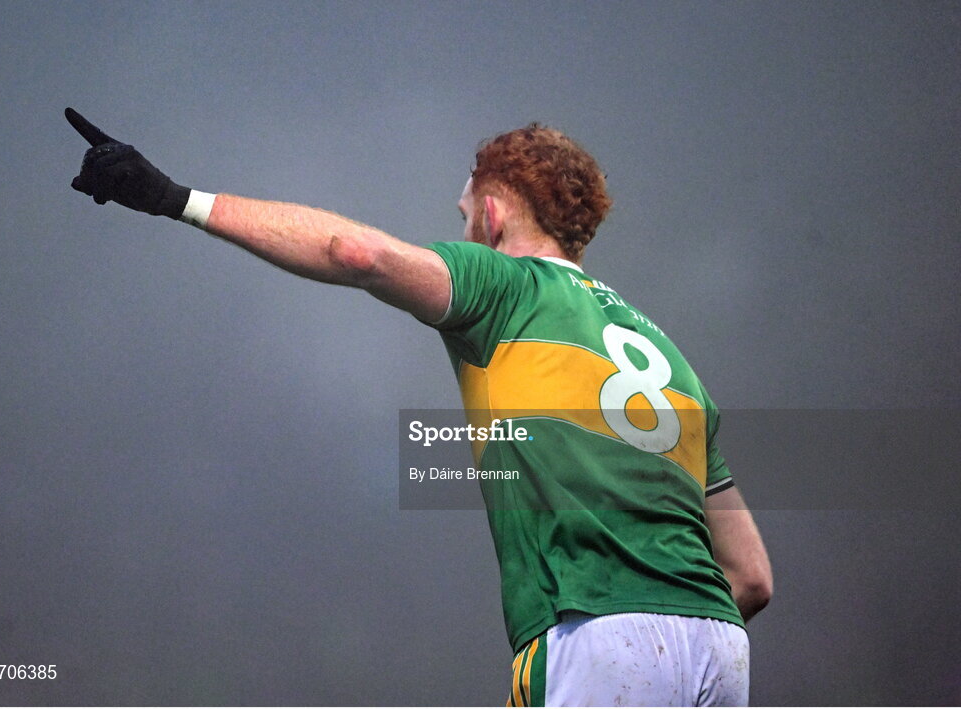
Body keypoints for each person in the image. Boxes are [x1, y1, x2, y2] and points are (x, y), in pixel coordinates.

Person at [65, 108, 772, 706]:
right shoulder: (672, 359)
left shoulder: (505, 284)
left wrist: (174, 198)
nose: (463, 228)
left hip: (596, 632)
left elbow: (357, 253)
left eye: (463, 216)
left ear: (491, 214)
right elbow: (752, 577)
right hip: (721, 649)